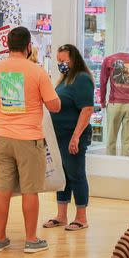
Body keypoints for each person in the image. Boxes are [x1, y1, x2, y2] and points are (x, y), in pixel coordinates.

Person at [0, 26, 61, 254]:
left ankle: (0, 239)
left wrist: (0, 108)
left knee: (2, 189)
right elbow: (55, 105)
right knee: (30, 190)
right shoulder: (37, 71)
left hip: (1, 137)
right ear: (29, 46)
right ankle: (31, 240)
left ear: (8, 45)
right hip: (29, 139)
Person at [45, 44, 95, 231]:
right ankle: (61, 215)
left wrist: (76, 137)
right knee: (62, 175)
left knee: (76, 174)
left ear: (74, 60)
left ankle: (81, 217)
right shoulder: (65, 80)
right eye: (58, 61)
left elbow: (87, 109)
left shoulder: (82, 79)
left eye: (64, 61)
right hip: (59, 136)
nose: (61, 64)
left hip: (72, 135)